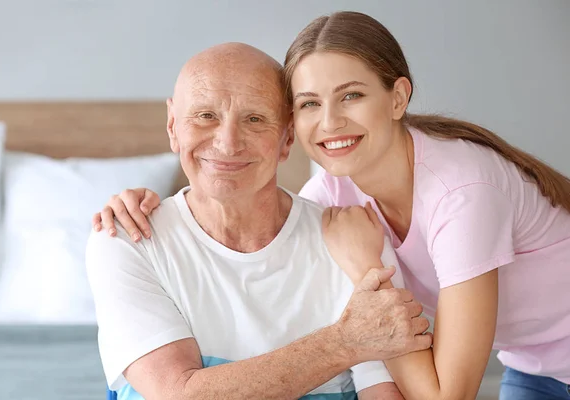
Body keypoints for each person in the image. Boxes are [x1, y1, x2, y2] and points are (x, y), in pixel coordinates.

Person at [95, 11, 570, 400]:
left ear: (398, 97)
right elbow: (267, 230)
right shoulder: (333, 195)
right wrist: (141, 204)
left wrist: (367, 266)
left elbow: (446, 398)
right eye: (308, 104)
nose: (330, 122)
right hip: (532, 365)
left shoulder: (461, 192)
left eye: (352, 96)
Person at [86, 42, 432, 400]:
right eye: (206, 116)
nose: (228, 142)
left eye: (254, 119)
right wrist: (345, 341)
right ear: (173, 125)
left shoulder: (350, 241)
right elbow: (176, 393)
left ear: (287, 138)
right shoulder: (127, 239)